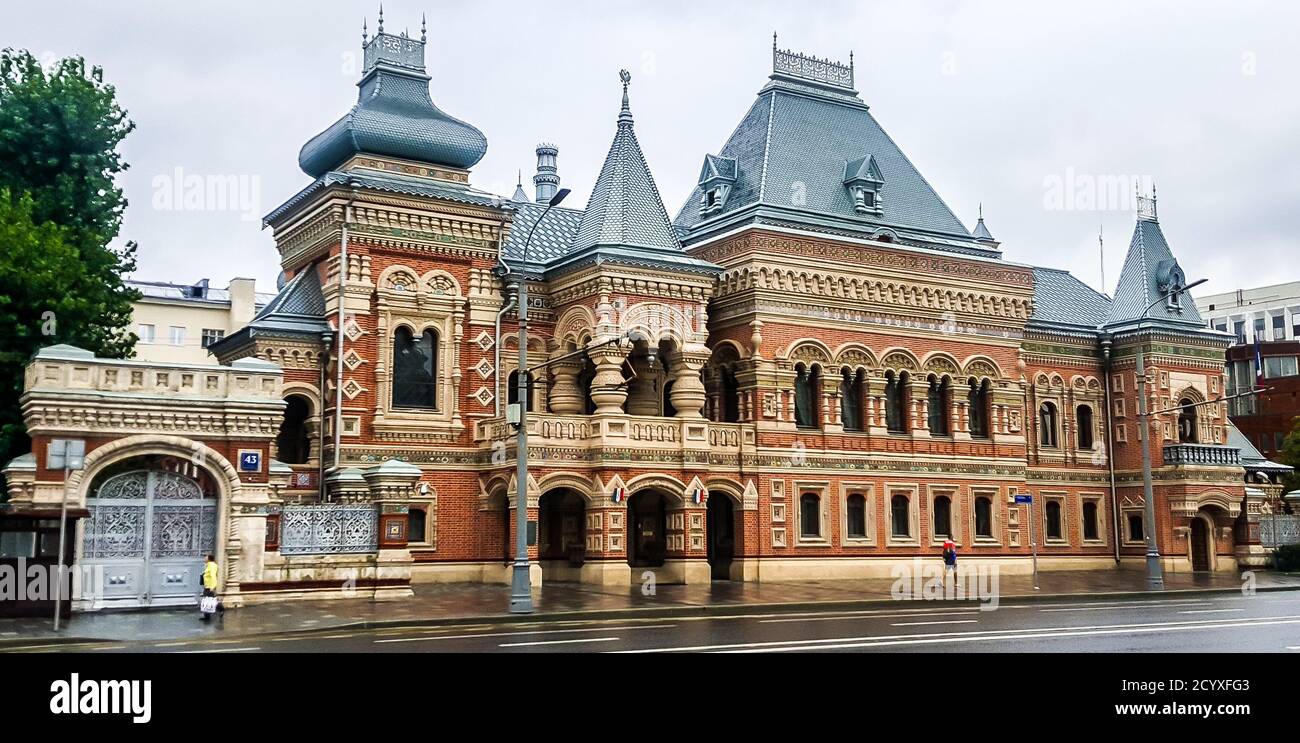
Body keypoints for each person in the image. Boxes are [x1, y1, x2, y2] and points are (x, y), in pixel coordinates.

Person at [200, 554, 224, 622]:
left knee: (209, 601)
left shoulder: (212, 566)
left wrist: (212, 587)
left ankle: (220, 609)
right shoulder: (208, 565)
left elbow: (213, 576)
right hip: (207, 586)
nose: (204, 559)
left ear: (209, 559)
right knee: (208, 600)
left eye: (205, 557)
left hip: (210, 586)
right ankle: (207, 616)